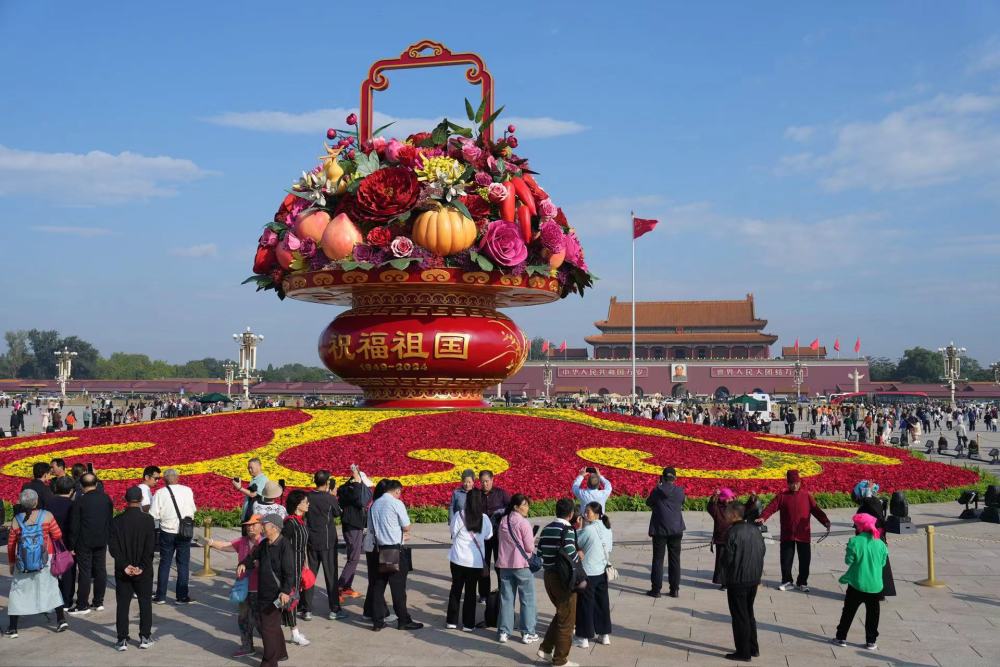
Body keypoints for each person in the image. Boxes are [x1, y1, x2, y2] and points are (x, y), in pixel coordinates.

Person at [5, 489, 69, 637]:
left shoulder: (16, 520)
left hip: (23, 562)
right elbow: (57, 535)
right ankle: (61, 620)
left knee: (18, 592)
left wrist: (11, 563)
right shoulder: (47, 515)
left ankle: (13, 628)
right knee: (51, 588)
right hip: (45, 559)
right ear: (36, 501)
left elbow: (11, 544)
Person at [758, 469, 831, 592]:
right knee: (786, 559)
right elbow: (771, 507)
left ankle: (802, 582)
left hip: (803, 534)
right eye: (792, 483)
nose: (795, 485)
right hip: (787, 533)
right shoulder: (782, 496)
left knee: (805, 560)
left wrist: (825, 521)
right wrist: (763, 517)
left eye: (797, 483)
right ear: (788, 483)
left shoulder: (806, 495)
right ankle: (787, 581)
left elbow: (816, 510)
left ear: (800, 482)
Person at [203, 514, 265, 657]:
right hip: (243, 587)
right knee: (243, 618)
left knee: (260, 621)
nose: (250, 527)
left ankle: (271, 647)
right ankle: (247, 646)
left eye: (253, 525)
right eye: (248, 525)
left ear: (261, 527)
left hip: (259, 588)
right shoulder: (242, 541)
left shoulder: (265, 543)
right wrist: (210, 542)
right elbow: (226, 546)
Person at [366, 479, 423, 632]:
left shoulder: (374, 505)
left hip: (379, 549)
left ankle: (378, 621)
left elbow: (370, 527)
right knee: (398, 588)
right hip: (394, 549)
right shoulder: (396, 503)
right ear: (397, 491)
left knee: (378, 586)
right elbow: (406, 526)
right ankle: (403, 620)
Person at [238, 514, 294, 667]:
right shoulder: (264, 544)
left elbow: (290, 572)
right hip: (263, 592)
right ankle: (281, 653)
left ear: (274, 527)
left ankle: (269, 662)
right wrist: (244, 564)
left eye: (265, 525)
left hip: (277, 594)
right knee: (272, 625)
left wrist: (285, 591)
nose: (262, 527)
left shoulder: (284, 546)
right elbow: (252, 557)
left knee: (267, 628)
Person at [109, 486, 156, 651]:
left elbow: (113, 548)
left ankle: (122, 639)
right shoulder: (148, 520)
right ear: (142, 499)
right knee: (145, 602)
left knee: (123, 604)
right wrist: (141, 566)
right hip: (143, 570)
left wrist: (125, 565)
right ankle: (145, 636)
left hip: (123, 570)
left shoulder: (117, 521)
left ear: (125, 500)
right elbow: (150, 547)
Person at [832, 513, 888, 651]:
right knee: (873, 614)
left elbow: (848, 561)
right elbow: (883, 563)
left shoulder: (854, 541)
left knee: (848, 612)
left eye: (856, 525)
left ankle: (841, 637)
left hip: (857, 583)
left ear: (860, 527)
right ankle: (871, 641)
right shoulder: (881, 543)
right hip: (875, 585)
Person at [536, 497, 581, 667]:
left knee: (562, 614)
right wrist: (579, 558)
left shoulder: (547, 528)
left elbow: (539, 553)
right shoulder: (567, 529)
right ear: (571, 514)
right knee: (567, 621)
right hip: (563, 579)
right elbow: (571, 552)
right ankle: (560, 660)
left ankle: (546, 649)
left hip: (548, 576)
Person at [721, 501, 765, 662]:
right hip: (753, 578)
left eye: (726, 512)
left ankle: (743, 652)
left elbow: (727, 558)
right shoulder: (754, 529)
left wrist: (725, 575)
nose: (724, 515)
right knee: (748, 613)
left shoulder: (732, 532)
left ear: (734, 514)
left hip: (738, 579)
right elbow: (762, 551)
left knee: (740, 616)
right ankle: (753, 648)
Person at [303, 470, 349, 622]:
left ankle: (307, 609)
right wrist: (333, 496)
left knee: (310, 575)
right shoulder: (329, 498)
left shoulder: (308, 497)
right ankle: (334, 610)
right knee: (331, 576)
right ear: (327, 482)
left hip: (311, 540)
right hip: (328, 542)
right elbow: (337, 513)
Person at [447, 486, 493, 632]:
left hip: (457, 559)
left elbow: (452, 532)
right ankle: (468, 624)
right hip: (474, 562)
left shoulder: (459, 515)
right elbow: (488, 536)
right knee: (471, 592)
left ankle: (451, 621)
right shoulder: (484, 518)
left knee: (455, 589)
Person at [67, 472, 113, 615]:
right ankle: (98, 602)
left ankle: (82, 604)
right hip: (101, 539)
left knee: (85, 572)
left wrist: (71, 545)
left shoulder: (80, 501)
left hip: (84, 541)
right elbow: (109, 520)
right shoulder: (106, 498)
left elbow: (74, 525)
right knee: (100, 570)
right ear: (97, 483)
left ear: (81, 485)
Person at [496, 493, 538, 645]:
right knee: (527, 599)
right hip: (522, 565)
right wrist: (533, 539)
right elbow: (529, 547)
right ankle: (527, 632)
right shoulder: (523, 523)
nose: (527, 508)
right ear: (516, 507)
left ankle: (504, 631)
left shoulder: (503, 520)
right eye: (524, 505)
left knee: (506, 599)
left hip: (505, 564)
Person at [150, 469, 197, 604]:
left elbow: (154, 514)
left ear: (164, 480)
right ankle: (182, 597)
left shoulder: (160, 493)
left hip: (167, 531)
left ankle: (160, 596)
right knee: (183, 564)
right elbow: (193, 509)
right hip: (184, 531)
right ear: (178, 478)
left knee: (165, 563)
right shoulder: (187, 490)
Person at [574, 501, 613, 649]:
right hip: (602, 571)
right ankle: (604, 634)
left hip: (588, 572)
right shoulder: (607, 528)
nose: (585, 514)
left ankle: (583, 637)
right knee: (602, 603)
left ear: (597, 514)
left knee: (585, 604)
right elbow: (609, 548)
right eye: (585, 511)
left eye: (588, 511)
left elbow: (576, 542)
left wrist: (579, 527)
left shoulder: (588, 530)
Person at [646, 466, 686, 598]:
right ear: (675, 478)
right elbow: (682, 502)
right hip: (676, 529)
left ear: (662, 478)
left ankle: (656, 589)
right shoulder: (680, 491)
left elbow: (648, 503)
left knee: (658, 559)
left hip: (660, 529)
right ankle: (674, 589)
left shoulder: (657, 491)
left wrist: (658, 488)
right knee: (675, 560)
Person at [337, 464, 373, 599]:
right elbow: (359, 499)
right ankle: (339, 588)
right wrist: (357, 480)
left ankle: (347, 586)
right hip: (353, 526)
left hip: (353, 525)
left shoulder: (346, 490)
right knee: (354, 558)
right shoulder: (353, 492)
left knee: (353, 557)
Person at [280, 489, 311, 646]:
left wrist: (305, 561)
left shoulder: (300, 521)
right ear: (297, 505)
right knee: (291, 598)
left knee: (293, 597)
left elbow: (302, 545)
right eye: (305, 502)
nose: (308, 504)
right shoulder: (290, 523)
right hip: (291, 566)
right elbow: (283, 545)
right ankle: (295, 633)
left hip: (298, 565)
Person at [478, 469, 510, 600]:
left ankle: (502, 592)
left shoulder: (501, 494)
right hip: (483, 537)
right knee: (483, 565)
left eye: (487, 481)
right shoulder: (477, 495)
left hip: (498, 536)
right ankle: (484, 594)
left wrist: (501, 513)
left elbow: (511, 509)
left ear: (492, 480)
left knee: (499, 564)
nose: (485, 484)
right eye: (482, 482)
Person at [47, 476, 76, 609]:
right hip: (67, 543)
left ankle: (54, 599)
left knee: (51, 570)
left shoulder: (49, 503)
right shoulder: (73, 505)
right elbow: (74, 527)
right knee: (68, 571)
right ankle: (67, 600)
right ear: (71, 490)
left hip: (50, 541)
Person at [707, 487, 737, 590]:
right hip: (721, 538)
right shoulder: (717, 508)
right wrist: (714, 496)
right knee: (722, 561)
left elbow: (745, 510)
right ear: (723, 498)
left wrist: (753, 500)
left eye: (731, 498)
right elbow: (710, 507)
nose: (730, 499)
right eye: (728, 498)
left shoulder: (734, 507)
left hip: (733, 538)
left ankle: (732, 581)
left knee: (732, 561)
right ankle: (724, 582)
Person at [235, 457, 268, 523]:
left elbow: (254, 494)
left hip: (254, 517)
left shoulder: (262, 479)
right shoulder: (255, 479)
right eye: (248, 468)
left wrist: (239, 488)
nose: (249, 470)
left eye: (251, 468)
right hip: (249, 514)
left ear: (259, 466)